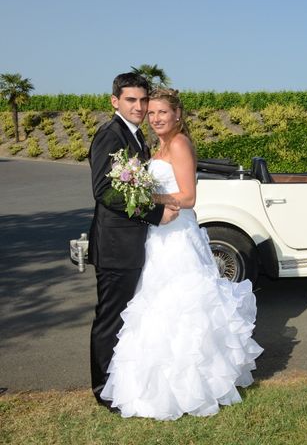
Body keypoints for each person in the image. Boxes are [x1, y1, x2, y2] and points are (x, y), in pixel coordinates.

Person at [100, 88, 263, 420]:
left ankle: (197, 385)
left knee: (184, 310)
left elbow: (188, 197)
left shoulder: (178, 144)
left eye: (163, 112)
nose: (156, 118)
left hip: (178, 235)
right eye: (152, 113)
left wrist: (148, 195)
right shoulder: (156, 147)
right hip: (157, 237)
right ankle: (156, 389)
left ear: (177, 115)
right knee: (155, 308)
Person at [88, 73, 179, 411]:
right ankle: (103, 389)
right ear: (115, 101)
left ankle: (122, 383)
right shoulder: (110, 135)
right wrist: (155, 214)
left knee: (128, 318)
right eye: (131, 100)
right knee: (111, 318)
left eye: (143, 100)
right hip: (115, 245)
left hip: (132, 244)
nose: (139, 107)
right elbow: (106, 190)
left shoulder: (135, 136)